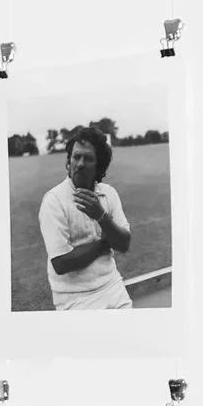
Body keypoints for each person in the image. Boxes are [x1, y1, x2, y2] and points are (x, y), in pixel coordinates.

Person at [37, 127, 134, 310]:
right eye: (76, 157)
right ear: (69, 160)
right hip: (74, 297)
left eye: (88, 158)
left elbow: (124, 244)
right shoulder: (54, 200)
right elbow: (61, 263)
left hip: (112, 285)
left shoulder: (109, 194)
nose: (80, 164)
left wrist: (101, 216)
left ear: (99, 165)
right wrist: (104, 244)